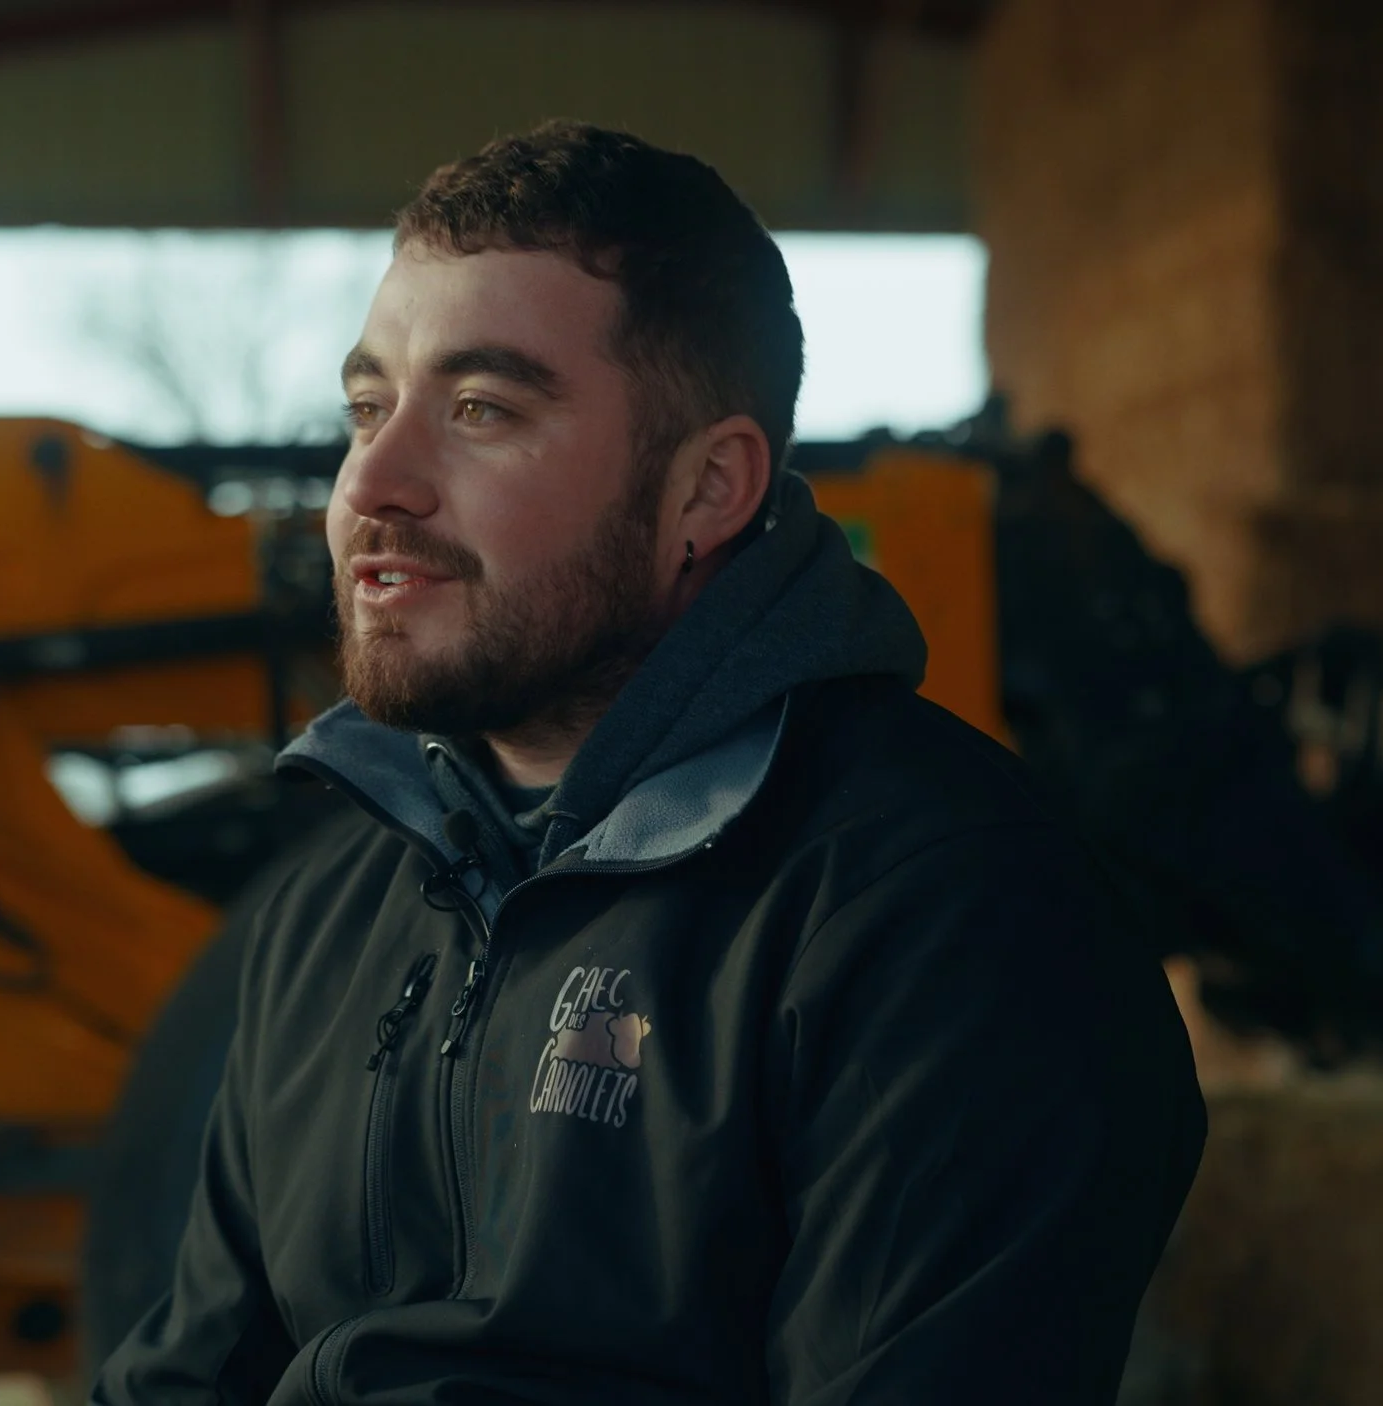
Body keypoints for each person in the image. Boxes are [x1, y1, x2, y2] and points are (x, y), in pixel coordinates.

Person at [98, 121, 1205, 1405]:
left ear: (708, 489)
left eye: (480, 408)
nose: (373, 483)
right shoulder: (330, 912)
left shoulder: (947, 917)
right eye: (365, 407)